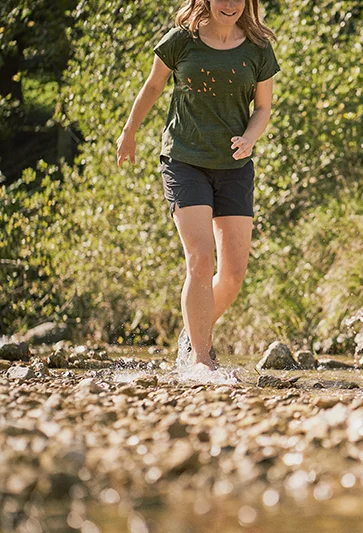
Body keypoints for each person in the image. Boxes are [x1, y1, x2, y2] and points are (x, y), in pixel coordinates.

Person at [116, 0, 280, 369]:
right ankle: (202, 362)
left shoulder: (258, 47)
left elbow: (263, 108)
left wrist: (251, 138)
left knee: (234, 274)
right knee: (201, 259)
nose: (229, 4)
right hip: (184, 160)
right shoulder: (182, 39)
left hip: (235, 166)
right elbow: (154, 85)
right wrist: (129, 132)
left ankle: (193, 334)